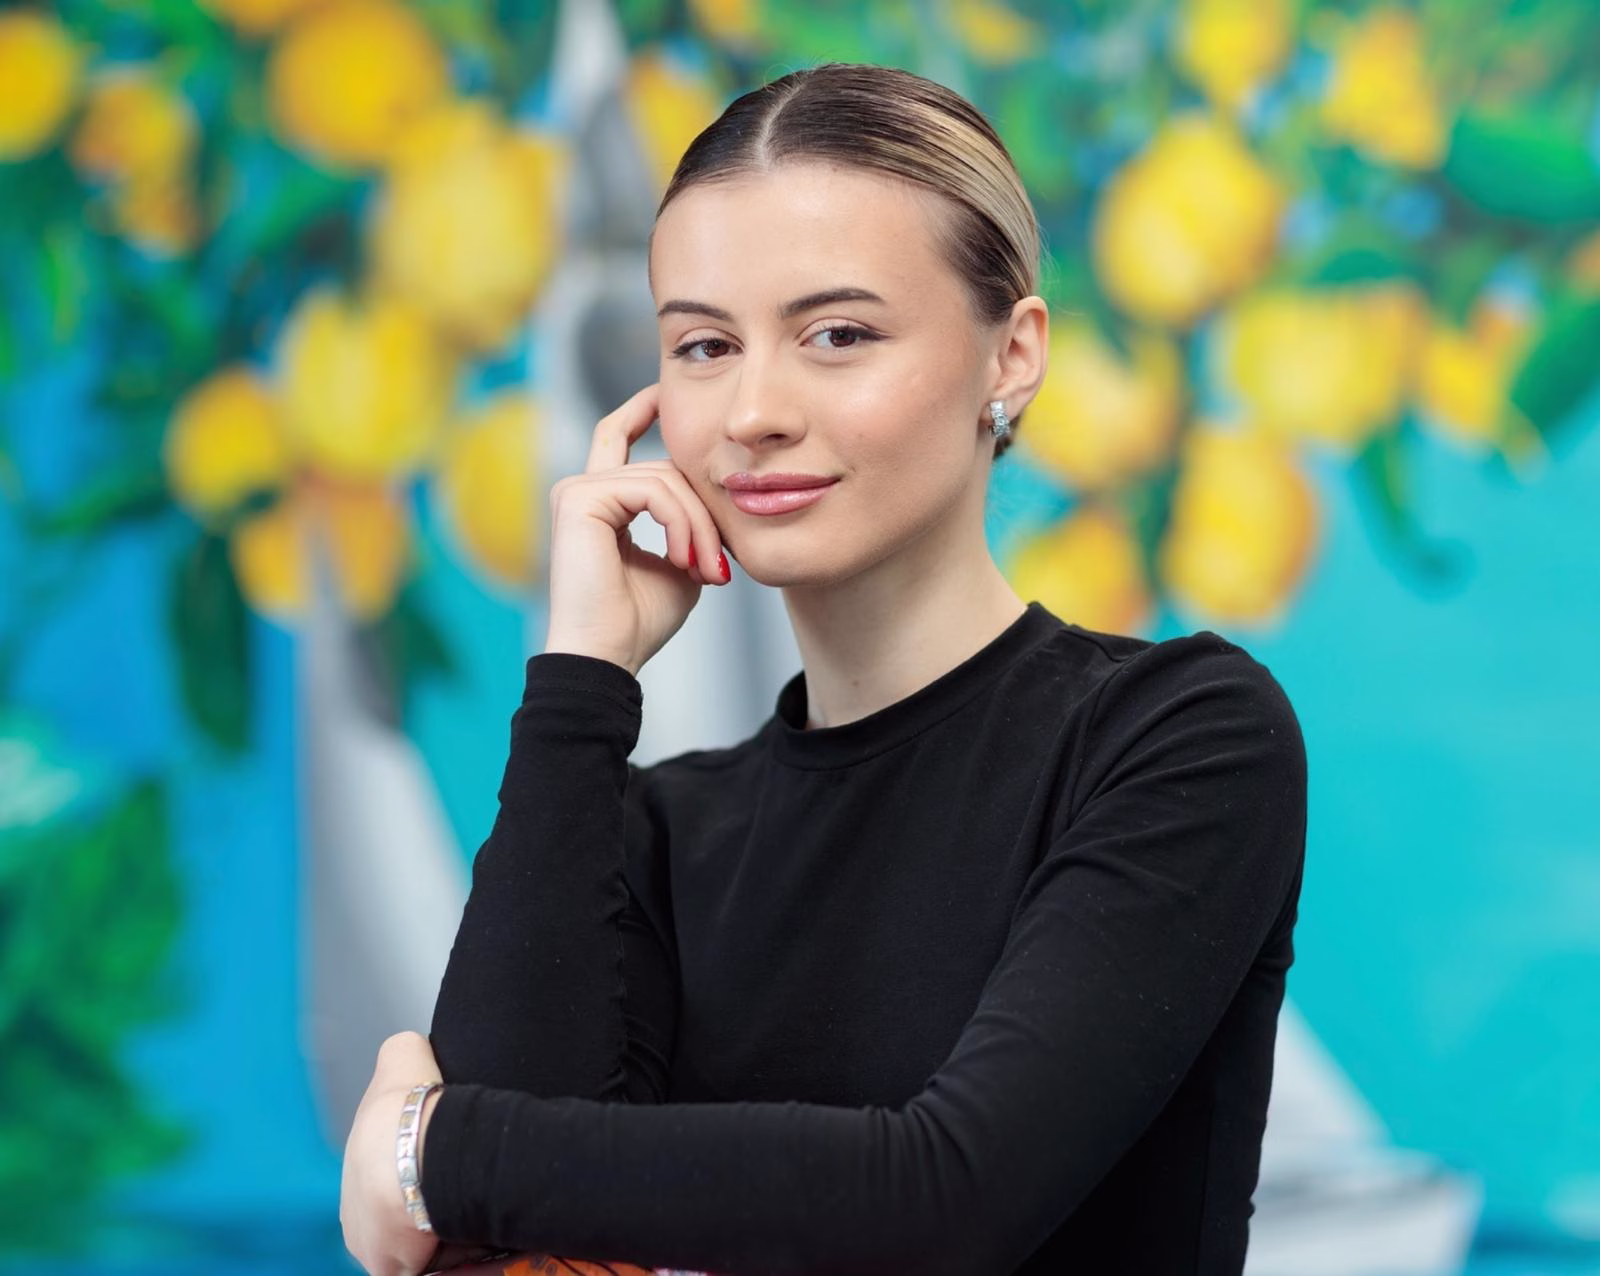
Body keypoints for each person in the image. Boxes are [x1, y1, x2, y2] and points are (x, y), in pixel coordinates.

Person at [339, 61, 1308, 1276]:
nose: (752, 410)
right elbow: (494, 1262)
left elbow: (947, 1202)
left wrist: (429, 1151)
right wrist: (582, 674)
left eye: (836, 333)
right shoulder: (660, 830)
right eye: (702, 345)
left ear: (1010, 355)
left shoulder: (1178, 733)